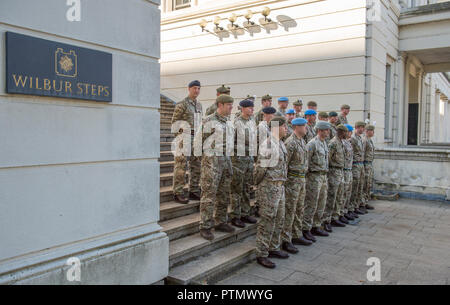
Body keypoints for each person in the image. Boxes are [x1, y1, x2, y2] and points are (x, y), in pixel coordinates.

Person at [199, 94, 235, 241]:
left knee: (224, 194)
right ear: (220, 105)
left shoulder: (228, 122)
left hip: (226, 162)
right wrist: (208, 160)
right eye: (229, 105)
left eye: (232, 105)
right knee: (209, 195)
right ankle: (205, 225)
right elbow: (198, 142)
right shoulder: (209, 121)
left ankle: (221, 220)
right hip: (212, 164)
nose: (231, 107)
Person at [254, 116, 289, 269]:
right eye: (284, 126)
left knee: (279, 218)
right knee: (267, 220)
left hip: (280, 186)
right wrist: (260, 186)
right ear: (277, 127)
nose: (286, 129)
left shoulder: (280, 143)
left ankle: (274, 247)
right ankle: (262, 253)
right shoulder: (268, 144)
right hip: (269, 187)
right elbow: (260, 169)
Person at [281, 118, 312, 255]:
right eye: (304, 126)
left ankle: (296, 235)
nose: (306, 128)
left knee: (299, 209)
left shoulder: (302, 141)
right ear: (297, 127)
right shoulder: (291, 142)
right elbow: (285, 164)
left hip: (301, 179)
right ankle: (286, 240)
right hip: (292, 181)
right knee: (290, 210)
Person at [172, 80, 203, 204]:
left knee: (196, 166)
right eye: (194, 88)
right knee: (181, 166)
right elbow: (175, 123)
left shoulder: (199, 105)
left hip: (196, 139)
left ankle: (194, 190)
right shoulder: (182, 104)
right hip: (185, 138)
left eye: (198, 88)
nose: (197, 90)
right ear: (189, 89)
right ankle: (178, 192)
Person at [230, 99, 258, 228]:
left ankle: (245, 213)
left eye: (252, 107)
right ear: (243, 109)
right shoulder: (236, 123)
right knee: (237, 189)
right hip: (238, 160)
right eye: (250, 108)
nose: (252, 109)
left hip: (249, 159)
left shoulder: (252, 122)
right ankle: (235, 215)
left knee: (247, 187)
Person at [302, 121, 331, 241]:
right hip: (313, 177)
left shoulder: (324, 143)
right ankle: (306, 228)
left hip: (323, 176)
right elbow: (306, 162)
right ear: (320, 130)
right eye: (326, 130)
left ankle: (316, 225)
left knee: (321, 203)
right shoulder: (312, 144)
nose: (328, 132)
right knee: (311, 204)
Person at [323, 124, 348, 233]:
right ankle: (327, 220)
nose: (347, 134)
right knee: (331, 197)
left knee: (339, 196)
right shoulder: (333, 143)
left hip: (340, 171)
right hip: (333, 172)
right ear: (340, 132)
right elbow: (328, 159)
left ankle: (335, 217)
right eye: (345, 132)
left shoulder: (341, 142)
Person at [350, 121, 367, 215]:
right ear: (356, 127)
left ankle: (356, 205)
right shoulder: (352, 139)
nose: (363, 129)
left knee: (360, 186)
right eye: (361, 127)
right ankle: (351, 207)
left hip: (361, 164)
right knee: (355, 187)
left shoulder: (360, 138)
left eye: (363, 127)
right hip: (355, 164)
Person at [341, 124, 358, 220]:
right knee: (342, 194)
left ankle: (345, 211)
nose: (350, 133)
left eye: (350, 132)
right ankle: (340, 213)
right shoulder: (341, 143)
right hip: (343, 171)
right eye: (348, 132)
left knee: (348, 192)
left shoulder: (348, 143)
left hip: (349, 169)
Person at [362, 125, 375, 210]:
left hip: (369, 164)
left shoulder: (370, 140)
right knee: (365, 184)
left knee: (368, 184)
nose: (373, 132)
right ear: (367, 131)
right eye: (372, 131)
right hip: (365, 164)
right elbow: (362, 153)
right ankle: (362, 202)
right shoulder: (365, 140)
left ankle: (366, 201)